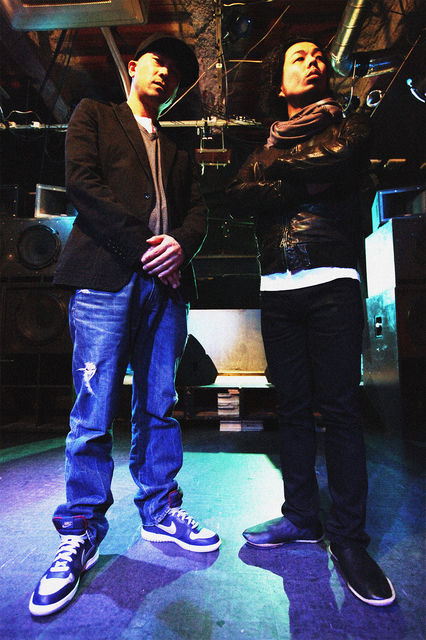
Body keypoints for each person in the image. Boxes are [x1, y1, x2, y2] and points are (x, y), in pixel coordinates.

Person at [29, 33, 221, 617]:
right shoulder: (94, 114)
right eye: (158, 62)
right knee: (93, 408)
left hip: (166, 287)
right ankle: (80, 530)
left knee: (160, 403)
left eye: (176, 71)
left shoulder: (180, 146)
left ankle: (160, 510)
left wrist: (181, 245)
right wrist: (147, 247)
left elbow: (198, 211)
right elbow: (83, 187)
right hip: (105, 276)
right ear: (133, 67)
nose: (166, 74)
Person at [227, 36, 395, 606]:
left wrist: (277, 175)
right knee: (292, 408)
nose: (313, 61)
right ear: (281, 84)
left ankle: (348, 541)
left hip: (331, 280)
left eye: (319, 55)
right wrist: (299, 176)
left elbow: (338, 160)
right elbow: (237, 196)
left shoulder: (349, 125)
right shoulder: (266, 142)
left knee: (341, 411)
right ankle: (301, 516)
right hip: (277, 288)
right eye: (298, 57)